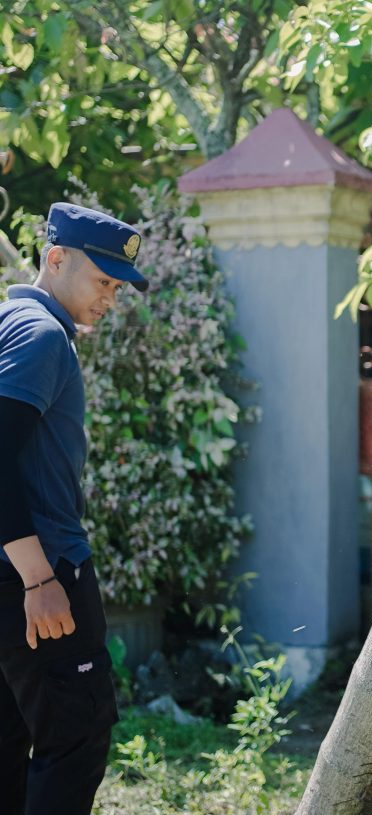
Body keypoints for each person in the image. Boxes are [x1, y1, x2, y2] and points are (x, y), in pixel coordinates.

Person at [0, 203, 149, 814]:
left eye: (118, 287)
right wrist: (39, 577)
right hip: (40, 570)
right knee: (75, 740)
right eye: (103, 281)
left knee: (11, 737)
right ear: (55, 259)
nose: (111, 298)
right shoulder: (40, 335)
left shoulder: (10, 320)